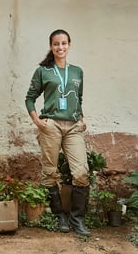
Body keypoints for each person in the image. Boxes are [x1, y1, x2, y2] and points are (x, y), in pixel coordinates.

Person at [25, 29, 90, 236]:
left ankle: (77, 219)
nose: (60, 47)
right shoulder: (43, 71)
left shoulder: (77, 71)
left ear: (69, 45)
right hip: (51, 125)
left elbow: (78, 99)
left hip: (72, 127)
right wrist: (38, 121)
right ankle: (59, 215)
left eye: (64, 43)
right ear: (51, 46)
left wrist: (81, 118)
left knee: (81, 172)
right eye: (56, 44)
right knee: (50, 171)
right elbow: (30, 98)